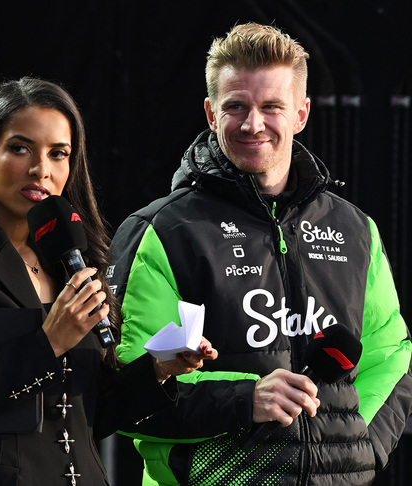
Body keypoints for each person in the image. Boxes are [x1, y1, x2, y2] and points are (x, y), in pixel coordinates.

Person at [108, 22, 412, 485]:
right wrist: (244, 399)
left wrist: (356, 444)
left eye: (272, 106)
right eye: (236, 107)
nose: (253, 124)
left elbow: (390, 356)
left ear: (301, 113)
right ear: (211, 113)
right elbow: (124, 394)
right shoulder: (161, 232)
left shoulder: (355, 230)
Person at [0, 77, 216, 485]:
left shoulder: (72, 256)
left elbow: (85, 415)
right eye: (20, 148)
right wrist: (48, 343)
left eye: (58, 153)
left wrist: (159, 370)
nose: (41, 169)